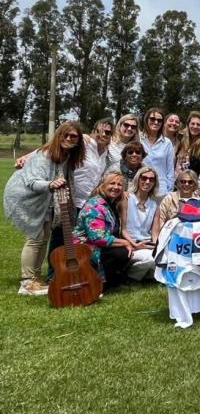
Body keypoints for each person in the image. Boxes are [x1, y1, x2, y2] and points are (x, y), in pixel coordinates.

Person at [4, 121, 86, 296]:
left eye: (74, 136)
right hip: (27, 195)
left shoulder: (67, 155)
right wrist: (51, 183)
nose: (69, 139)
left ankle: (35, 278)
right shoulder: (46, 155)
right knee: (35, 237)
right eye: (66, 135)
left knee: (44, 237)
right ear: (59, 135)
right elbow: (32, 182)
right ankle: (27, 282)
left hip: (46, 197)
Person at [73, 170, 136, 289]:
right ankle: (100, 282)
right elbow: (98, 238)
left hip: (98, 246)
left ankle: (110, 280)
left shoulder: (110, 203)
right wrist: (125, 242)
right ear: (103, 185)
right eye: (112, 183)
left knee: (123, 251)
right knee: (121, 252)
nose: (116, 187)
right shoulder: (95, 206)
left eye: (119, 184)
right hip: (85, 249)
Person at [123, 166, 159, 281]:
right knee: (151, 260)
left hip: (146, 244)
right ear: (138, 179)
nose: (147, 182)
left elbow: (155, 232)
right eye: (144, 178)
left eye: (151, 179)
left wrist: (156, 247)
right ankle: (130, 277)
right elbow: (122, 228)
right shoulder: (126, 198)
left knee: (161, 259)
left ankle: (146, 272)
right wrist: (134, 245)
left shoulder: (154, 205)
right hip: (130, 245)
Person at [73, 118, 115, 212]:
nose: (103, 134)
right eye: (99, 131)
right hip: (72, 201)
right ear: (93, 131)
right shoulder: (83, 144)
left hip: (89, 204)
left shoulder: (106, 153)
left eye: (107, 132)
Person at [175, 111, 200, 197]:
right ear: (188, 125)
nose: (195, 126)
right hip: (179, 190)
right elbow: (178, 168)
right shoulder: (182, 142)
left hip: (196, 193)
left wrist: (194, 194)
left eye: (198, 124)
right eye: (192, 123)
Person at [140, 107, 175, 197]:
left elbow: (170, 170)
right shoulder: (138, 139)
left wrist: (169, 190)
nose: (156, 122)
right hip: (140, 189)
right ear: (146, 120)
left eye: (159, 120)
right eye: (152, 119)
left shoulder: (167, 143)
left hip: (160, 190)